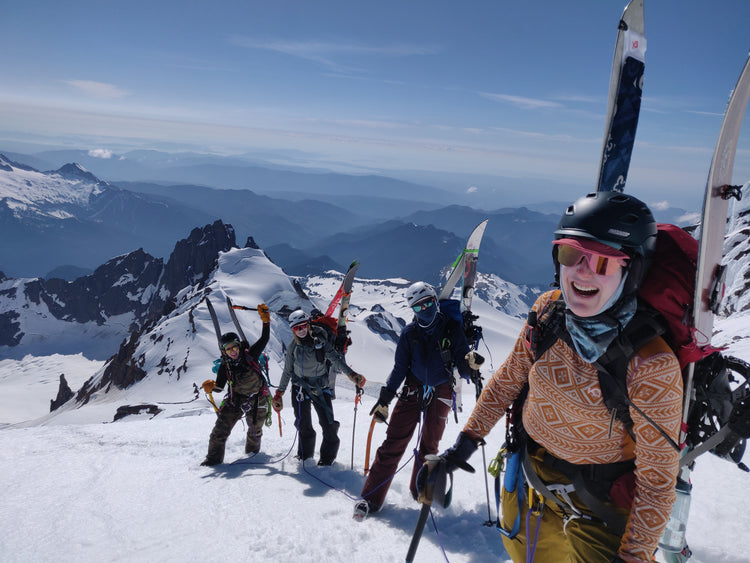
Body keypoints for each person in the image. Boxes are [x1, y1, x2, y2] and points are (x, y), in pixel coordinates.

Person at [435, 192, 683, 563]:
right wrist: (462, 447)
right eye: (571, 254)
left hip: (600, 510)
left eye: (603, 261)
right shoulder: (548, 311)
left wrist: (633, 556)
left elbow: (657, 479)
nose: (582, 271)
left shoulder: (650, 364)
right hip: (530, 483)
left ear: (633, 270)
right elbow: (507, 382)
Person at [354, 281, 481, 518]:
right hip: (413, 390)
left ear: (435, 301)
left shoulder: (452, 329)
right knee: (393, 444)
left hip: (441, 390)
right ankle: (370, 499)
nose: (426, 310)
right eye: (419, 307)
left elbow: (462, 366)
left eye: (429, 304)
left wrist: (470, 365)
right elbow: (399, 369)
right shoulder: (409, 334)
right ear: (412, 310)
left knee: (429, 446)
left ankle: (421, 492)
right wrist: (385, 399)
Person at [272, 309, 365, 466]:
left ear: (308, 325)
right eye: (296, 328)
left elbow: (335, 359)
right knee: (303, 424)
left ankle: (327, 461)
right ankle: (304, 456)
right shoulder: (293, 347)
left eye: (302, 326)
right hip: (299, 388)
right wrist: (279, 393)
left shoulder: (321, 342)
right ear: (292, 330)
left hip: (320, 387)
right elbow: (287, 370)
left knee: (328, 425)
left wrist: (352, 375)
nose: (300, 331)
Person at [200, 303, 271, 466]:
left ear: (239, 346)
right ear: (224, 352)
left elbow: (264, 339)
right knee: (219, 432)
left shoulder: (251, 355)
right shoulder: (226, 366)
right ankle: (212, 461)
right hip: (236, 401)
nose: (232, 351)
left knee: (255, 431)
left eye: (234, 347)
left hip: (258, 399)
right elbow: (219, 387)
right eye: (228, 349)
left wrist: (266, 321)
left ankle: (252, 457)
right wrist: (211, 387)